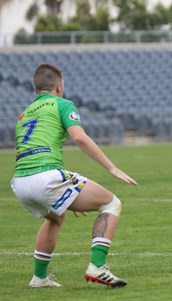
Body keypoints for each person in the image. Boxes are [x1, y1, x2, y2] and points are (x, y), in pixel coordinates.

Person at [10, 64, 138, 288]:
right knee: (111, 204)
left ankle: (39, 278)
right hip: (46, 178)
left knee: (56, 218)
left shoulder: (24, 114)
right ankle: (97, 267)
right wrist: (112, 168)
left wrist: (67, 193)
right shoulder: (62, 104)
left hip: (20, 182)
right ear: (59, 86)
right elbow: (80, 138)